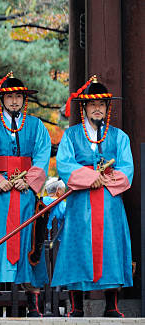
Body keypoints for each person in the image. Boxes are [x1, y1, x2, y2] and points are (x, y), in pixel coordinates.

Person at [0, 72, 51, 317]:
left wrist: (29, 179)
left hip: (25, 195)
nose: (14, 101)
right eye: (9, 97)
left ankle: (33, 304)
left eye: (18, 96)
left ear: (24, 99)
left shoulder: (36, 125)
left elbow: (43, 156)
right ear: (1, 100)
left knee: (29, 242)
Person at [52, 75, 133, 317]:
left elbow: (127, 169)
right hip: (81, 202)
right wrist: (89, 178)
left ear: (107, 108)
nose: (97, 109)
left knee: (112, 247)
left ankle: (112, 305)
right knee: (77, 247)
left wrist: (105, 180)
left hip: (109, 201)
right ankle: (76, 306)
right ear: (84, 107)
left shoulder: (120, 136)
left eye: (101, 105)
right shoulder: (71, 135)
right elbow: (64, 165)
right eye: (92, 105)